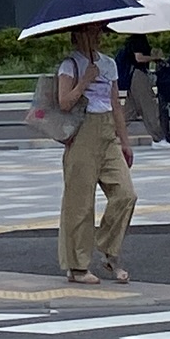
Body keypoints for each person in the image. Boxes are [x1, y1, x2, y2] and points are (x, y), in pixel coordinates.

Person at [45, 25, 138, 286]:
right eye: (91, 32)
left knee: (125, 194)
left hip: (107, 132)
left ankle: (108, 249)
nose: (97, 36)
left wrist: (125, 141)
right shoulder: (70, 65)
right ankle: (77, 267)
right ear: (78, 35)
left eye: (99, 31)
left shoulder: (108, 64)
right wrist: (85, 80)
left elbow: (115, 105)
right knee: (80, 203)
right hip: (82, 133)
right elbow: (64, 103)